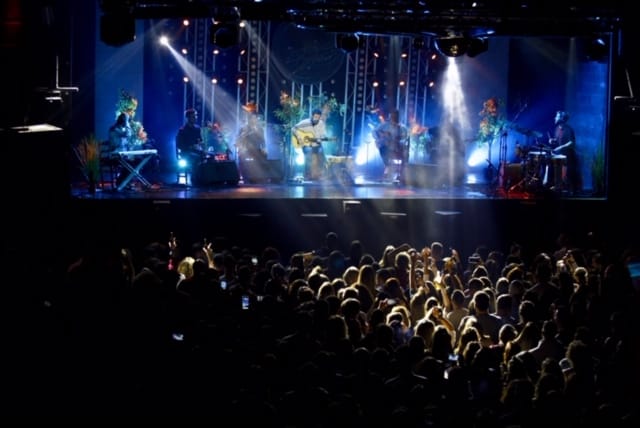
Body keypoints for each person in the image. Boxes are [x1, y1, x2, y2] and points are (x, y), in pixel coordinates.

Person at [548, 110, 580, 194]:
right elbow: (557, 140)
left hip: (568, 157)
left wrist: (560, 147)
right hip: (560, 156)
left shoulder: (569, 129)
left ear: (561, 119)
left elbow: (571, 142)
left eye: (557, 116)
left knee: (566, 177)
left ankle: (569, 191)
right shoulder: (557, 129)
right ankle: (557, 186)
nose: (555, 118)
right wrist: (553, 140)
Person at [292, 108, 328, 180]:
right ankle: (308, 175)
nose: (316, 119)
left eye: (318, 117)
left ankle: (319, 175)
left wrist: (322, 138)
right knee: (309, 153)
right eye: (315, 117)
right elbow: (294, 128)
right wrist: (299, 137)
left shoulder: (321, 124)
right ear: (312, 116)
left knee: (321, 154)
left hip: (317, 144)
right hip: (307, 145)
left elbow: (323, 135)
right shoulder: (305, 122)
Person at [374, 109, 409, 182]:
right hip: (385, 147)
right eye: (393, 116)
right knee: (385, 153)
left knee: (404, 154)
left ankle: (400, 174)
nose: (394, 117)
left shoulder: (402, 128)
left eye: (396, 116)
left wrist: (400, 139)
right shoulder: (385, 125)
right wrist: (381, 136)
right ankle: (387, 170)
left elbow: (405, 137)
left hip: (396, 148)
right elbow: (375, 131)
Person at [236, 106, 268, 182]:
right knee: (242, 156)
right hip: (246, 149)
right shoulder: (244, 128)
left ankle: (260, 176)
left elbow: (263, 141)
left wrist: (264, 148)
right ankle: (244, 176)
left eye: (255, 118)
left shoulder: (260, 129)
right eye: (252, 118)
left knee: (264, 155)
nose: (254, 120)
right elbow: (239, 139)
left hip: (256, 149)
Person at [176, 108, 205, 174]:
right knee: (196, 157)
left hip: (196, 151)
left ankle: (205, 176)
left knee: (209, 156)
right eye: (193, 116)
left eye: (196, 116)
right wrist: (190, 147)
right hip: (185, 152)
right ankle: (195, 176)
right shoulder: (182, 130)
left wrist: (202, 144)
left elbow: (200, 140)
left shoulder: (197, 128)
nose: (195, 118)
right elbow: (179, 145)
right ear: (188, 118)